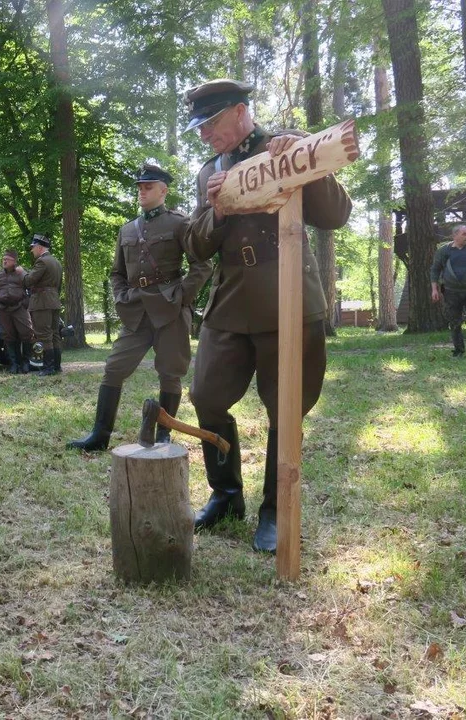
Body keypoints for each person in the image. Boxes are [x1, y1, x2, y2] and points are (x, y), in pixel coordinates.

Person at [183, 79, 352, 553]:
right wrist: (215, 210)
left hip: (289, 294)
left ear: (240, 112)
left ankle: (276, 510)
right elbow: (196, 244)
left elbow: (336, 215)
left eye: (211, 122)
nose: (204, 134)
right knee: (206, 394)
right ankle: (226, 494)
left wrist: (304, 165)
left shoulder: (289, 145)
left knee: (287, 406)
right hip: (232, 297)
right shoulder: (208, 171)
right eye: (199, 126)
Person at [69, 164, 213, 451]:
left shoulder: (180, 223)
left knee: (170, 373)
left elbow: (202, 264)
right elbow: (117, 273)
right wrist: (121, 296)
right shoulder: (127, 230)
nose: (142, 192)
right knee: (114, 368)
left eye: (148, 187)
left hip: (170, 309)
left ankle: (163, 435)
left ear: (163, 190)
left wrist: (182, 296)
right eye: (139, 187)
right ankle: (99, 435)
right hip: (136, 311)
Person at [431, 224, 466, 360]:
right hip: (451, 291)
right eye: (464, 234)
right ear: (455, 235)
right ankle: (458, 352)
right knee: (455, 321)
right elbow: (435, 270)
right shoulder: (444, 251)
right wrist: (434, 289)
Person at [22, 234, 63, 375]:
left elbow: (29, 281)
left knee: (44, 335)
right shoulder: (56, 262)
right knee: (55, 334)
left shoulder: (42, 262)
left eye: (33, 248)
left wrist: (24, 273)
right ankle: (56, 366)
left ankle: (48, 368)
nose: (32, 250)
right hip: (54, 301)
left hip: (42, 302)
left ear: (39, 247)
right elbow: (59, 286)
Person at [0, 249, 34, 373]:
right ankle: (13, 364)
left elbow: (31, 289)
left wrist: (26, 303)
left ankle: (25, 362)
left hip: (19, 308)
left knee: (27, 333)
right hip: (4, 309)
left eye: (7, 259)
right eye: (3, 259)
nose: (4, 261)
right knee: (8, 336)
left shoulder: (21, 273)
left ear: (14, 261)